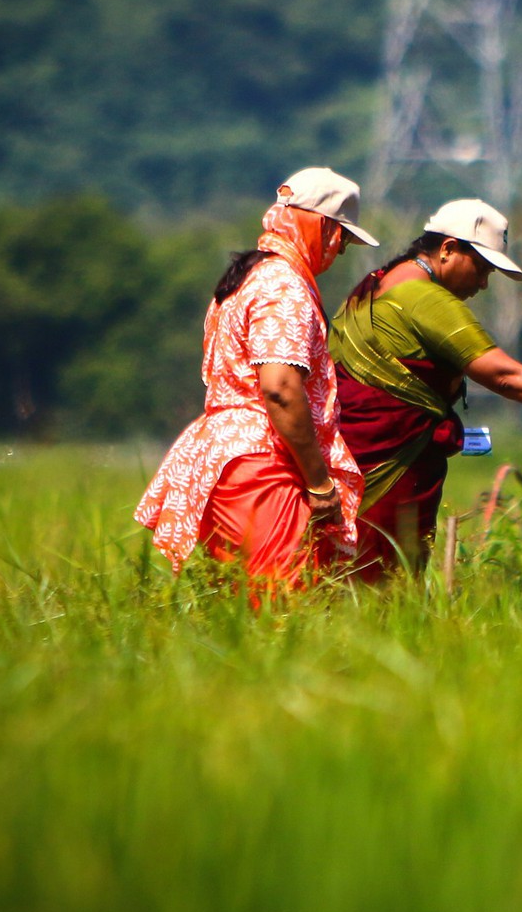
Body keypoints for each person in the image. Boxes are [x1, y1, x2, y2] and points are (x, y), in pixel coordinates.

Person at [330, 198, 522, 573]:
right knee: (380, 576)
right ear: (448, 249)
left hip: (347, 458)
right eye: (481, 268)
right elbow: (503, 375)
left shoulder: (377, 284)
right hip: (391, 466)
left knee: (340, 568)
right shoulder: (424, 298)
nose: (484, 284)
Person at [136, 168, 377, 596]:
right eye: (341, 238)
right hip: (262, 462)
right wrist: (320, 483)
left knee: (240, 602)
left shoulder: (251, 275)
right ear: (323, 226)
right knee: (280, 604)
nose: (338, 252)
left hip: (228, 458)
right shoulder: (284, 285)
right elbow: (280, 388)